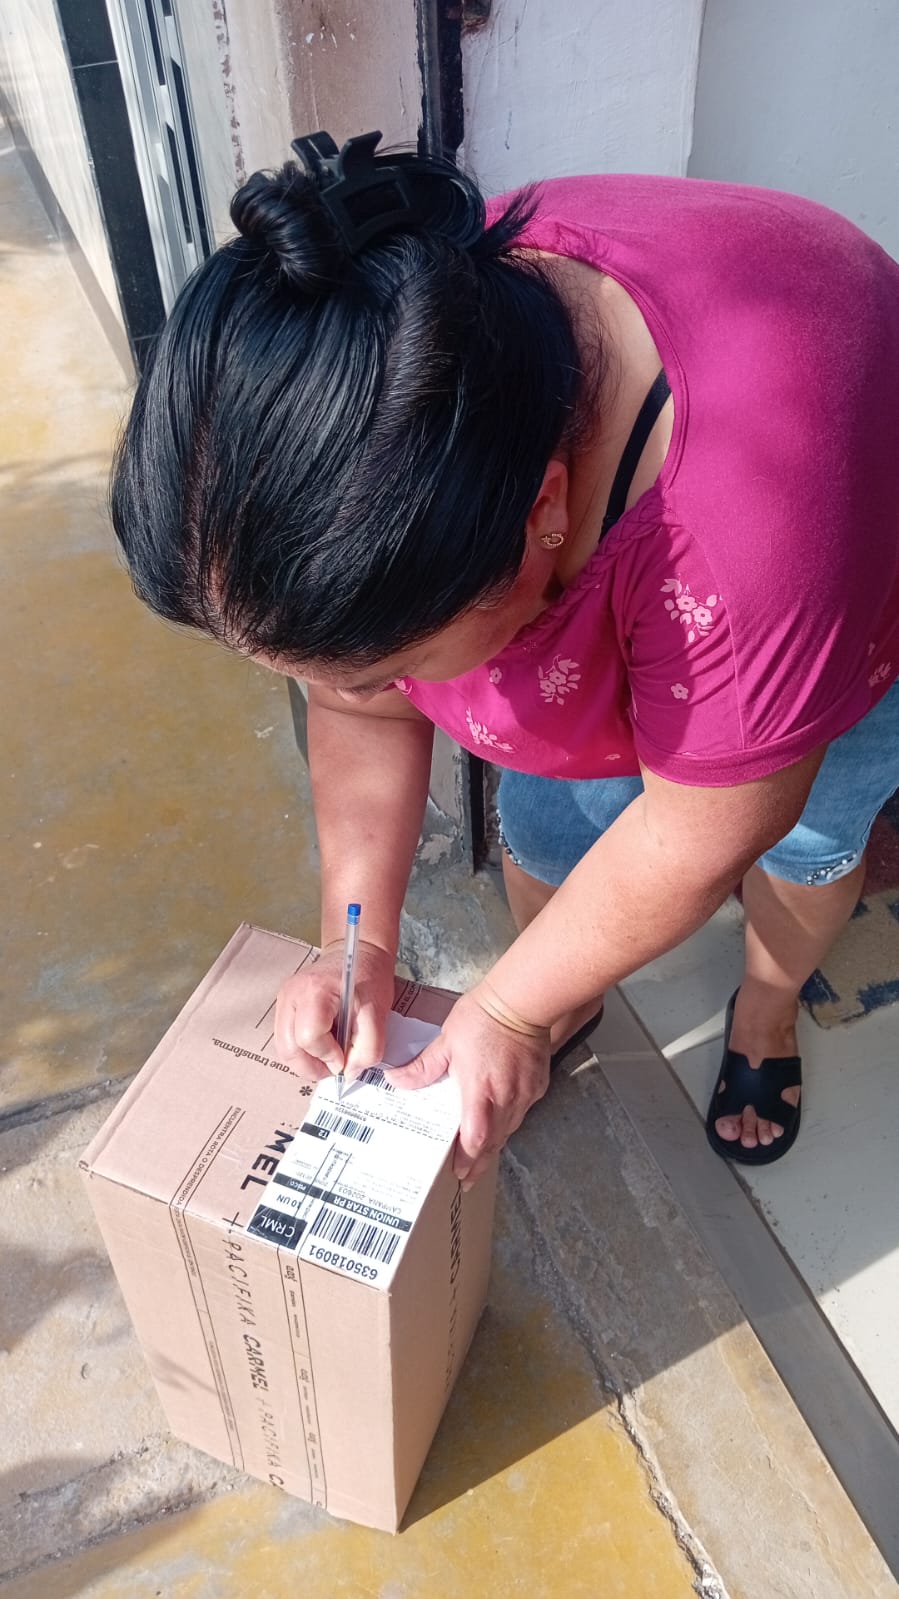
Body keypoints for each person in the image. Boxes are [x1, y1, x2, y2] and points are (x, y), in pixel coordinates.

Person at [110, 130, 899, 1183]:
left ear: (542, 514)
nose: (357, 691)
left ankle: (764, 1007)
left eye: (390, 663)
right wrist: (358, 942)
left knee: (806, 843)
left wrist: (509, 1012)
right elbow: (354, 703)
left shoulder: (744, 551)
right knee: (546, 827)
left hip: (833, 591)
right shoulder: (405, 342)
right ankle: (565, 989)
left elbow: (705, 831)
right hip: (659, 568)